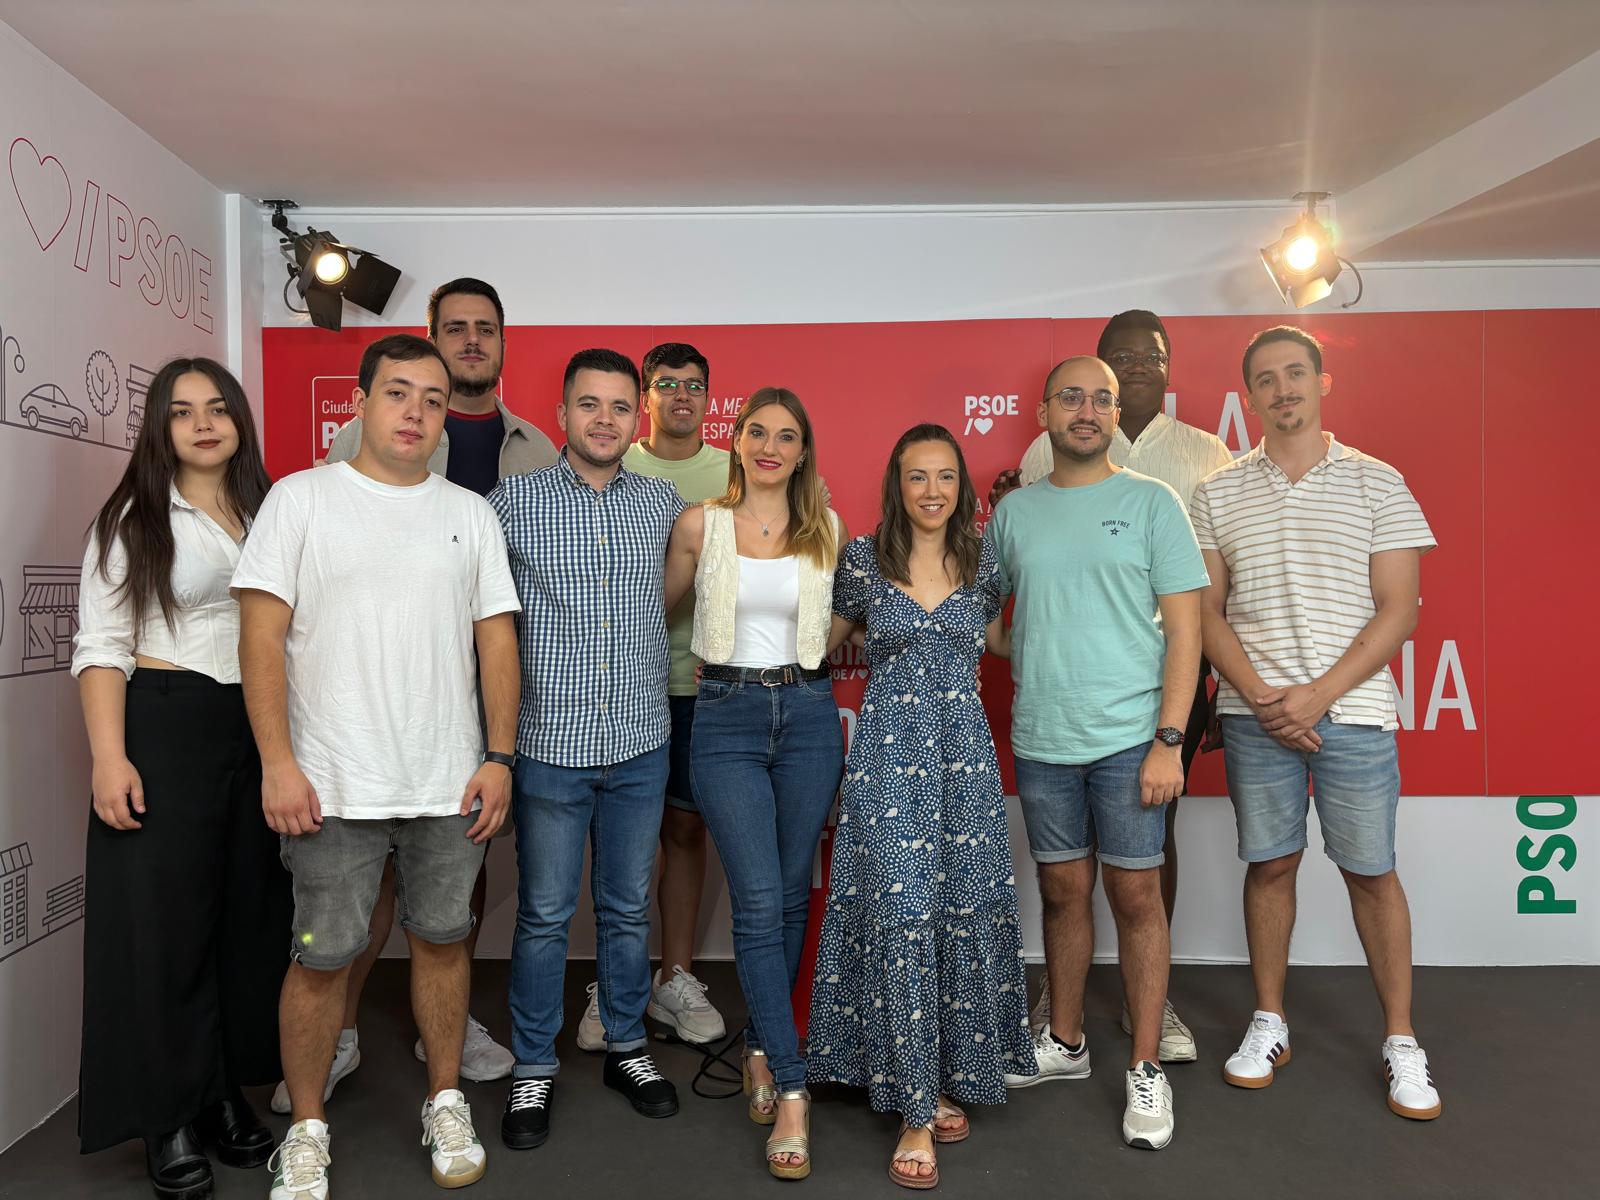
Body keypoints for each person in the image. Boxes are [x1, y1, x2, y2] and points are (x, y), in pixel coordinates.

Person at [237, 333, 522, 1197]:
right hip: (330, 786)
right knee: (321, 959)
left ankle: (445, 1102)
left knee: (443, 944)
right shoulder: (299, 500)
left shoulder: (470, 514)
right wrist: (277, 762)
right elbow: (261, 639)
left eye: (434, 400)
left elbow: (496, 642)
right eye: (398, 393)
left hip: (447, 783)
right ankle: (308, 1130)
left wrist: (499, 755)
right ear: (359, 403)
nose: (416, 413)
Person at [300, 279, 556, 1106]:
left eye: (487, 328)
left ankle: (446, 1022)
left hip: (486, 683)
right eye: (456, 328)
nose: (472, 340)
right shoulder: (357, 440)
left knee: (459, 865)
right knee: (365, 872)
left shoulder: (537, 450)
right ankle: (338, 1028)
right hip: (382, 692)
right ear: (432, 337)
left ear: (504, 343)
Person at [1190, 326, 1442, 1121]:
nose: (1283, 389)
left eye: (1296, 373)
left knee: (1372, 873)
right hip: (1254, 716)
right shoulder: (1217, 492)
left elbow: (1399, 609)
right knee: (1270, 866)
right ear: (1249, 396)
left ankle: (1401, 1039)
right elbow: (1207, 612)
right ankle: (1270, 1020)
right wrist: (1267, 697)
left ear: (1323, 382)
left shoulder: (1378, 482)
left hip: (1355, 715)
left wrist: (1318, 695)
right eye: (1266, 379)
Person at [73, 358, 290, 1200]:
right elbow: (101, 645)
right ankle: (164, 1115)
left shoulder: (270, 511)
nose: (203, 423)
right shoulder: (133, 517)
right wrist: (109, 757)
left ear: (239, 421)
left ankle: (217, 1094)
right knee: (160, 930)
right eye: (182, 411)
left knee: (242, 922)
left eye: (217, 408)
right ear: (159, 428)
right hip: (164, 724)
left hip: (255, 728)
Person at [991, 310, 1231, 1062]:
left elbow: (1186, 632)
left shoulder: (1155, 501)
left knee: (1136, 894)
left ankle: (1146, 1059)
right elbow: (992, 621)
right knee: (1062, 892)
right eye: (1071, 398)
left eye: (1100, 399)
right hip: (1043, 738)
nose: (1087, 410)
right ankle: (1065, 1040)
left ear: (1115, 411)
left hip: (1134, 737)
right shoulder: (1013, 512)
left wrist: (1169, 740)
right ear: (1045, 415)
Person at [805, 424, 1035, 1189]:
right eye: (916, 476)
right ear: (896, 485)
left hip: (964, 764)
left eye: (945, 476)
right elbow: (817, 642)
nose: (931, 490)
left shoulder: (983, 559)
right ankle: (913, 1110)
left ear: (961, 487)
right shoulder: (863, 559)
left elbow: (999, 643)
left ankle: (936, 1077)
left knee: (957, 910)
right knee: (902, 914)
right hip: (887, 760)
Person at [490, 349, 683, 1154]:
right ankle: (534, 1064)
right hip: (549, 745)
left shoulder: (664, 504)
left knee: (628, 908)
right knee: (542, 915)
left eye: (619, 406)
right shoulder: (512, 503)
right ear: (562, 414)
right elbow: (481, 617)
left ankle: (627, 1046)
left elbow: (695, 581)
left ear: (638, 417)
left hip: (640, 742)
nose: (605, 419)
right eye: (590, 404)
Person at [662, 387, 848, 1181]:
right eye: (758, 432)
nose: (771, 446)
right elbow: (650, 612)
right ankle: (794, 1091)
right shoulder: (699, 524)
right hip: (726, 716)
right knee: (761, 900)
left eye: (787, 436)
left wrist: (814, 650)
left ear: (803, 452)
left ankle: (765, 1052)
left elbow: (842, 618)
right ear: (735, 440)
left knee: (794, 892)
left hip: (808, 714)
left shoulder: (826, 527)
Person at [570, 342, 730, 1051]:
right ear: (645, 398)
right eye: (667, 384)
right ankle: (618, 980)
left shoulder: (733, 470)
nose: (682, 396)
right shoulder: (614, 463)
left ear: (709, 398)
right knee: (619, 843)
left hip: (700, 683)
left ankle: (675, 975)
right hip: (620, 686)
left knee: (684, 832)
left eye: (694, 385)